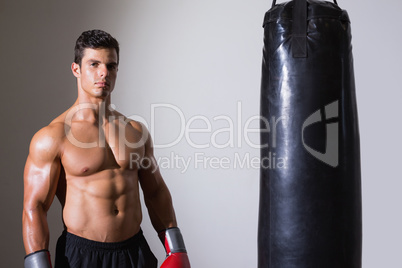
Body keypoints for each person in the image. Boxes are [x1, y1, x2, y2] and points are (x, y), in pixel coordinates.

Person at [22, 29, 191, 268]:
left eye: (111, 66)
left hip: (134, 252)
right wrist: (38, 264)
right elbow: (34, 206)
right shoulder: (53, 136)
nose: (104, 73)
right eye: (94, 64)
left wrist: (177, 248)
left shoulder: (136, 132)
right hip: (81, 255)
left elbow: (155, 192)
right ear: (76, 69)